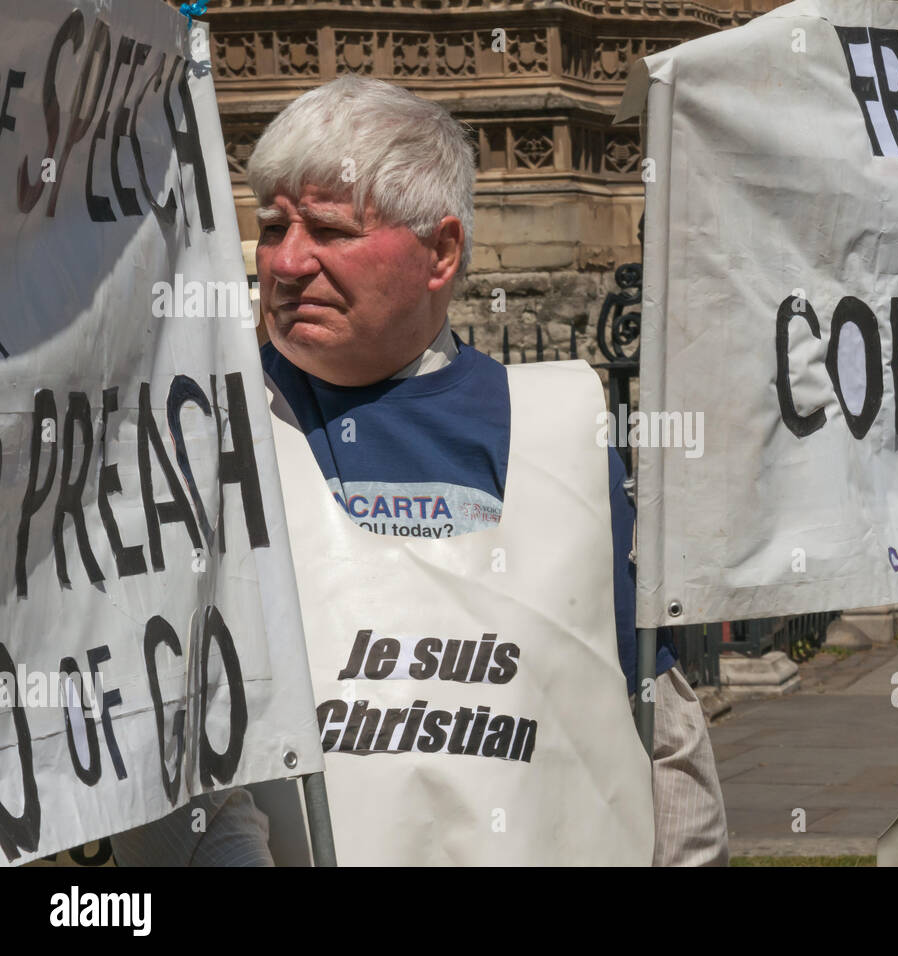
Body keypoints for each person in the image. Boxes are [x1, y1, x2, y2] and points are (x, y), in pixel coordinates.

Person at [250, 76, 727, 864]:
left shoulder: (561, 433)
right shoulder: (207, 434)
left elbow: (661, 733)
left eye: (331, 230)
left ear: (440, 252)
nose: (288, 261)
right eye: (272, 227)